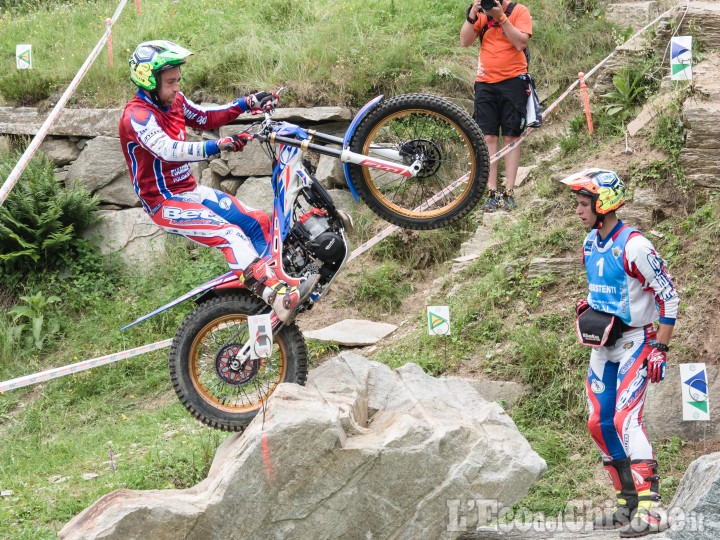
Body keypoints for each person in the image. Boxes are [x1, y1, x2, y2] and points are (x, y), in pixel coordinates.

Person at [118, 40, 317, 323]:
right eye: (170, 81)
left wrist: (247, 104)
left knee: (257, 220)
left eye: (178, 80)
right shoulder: (137, 116)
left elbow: (206, 116)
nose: (176, 88)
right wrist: (217, 146)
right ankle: (276, 295)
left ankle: (273, 289)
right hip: (164, 203)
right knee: (229, 234)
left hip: (189, 191)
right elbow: (168, 150)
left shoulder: (175, 101)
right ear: (149, 81)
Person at [562, 168, 678, 537]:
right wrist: (590, 304)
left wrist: (660, 346)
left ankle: (652, 508)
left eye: (584, 204)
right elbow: (605, 286)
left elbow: (669, 296)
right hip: (603, 345)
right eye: (578, 204)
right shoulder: (589, 243)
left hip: (636, 343)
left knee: (628, 420)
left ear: (604, 204)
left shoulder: (635, 245)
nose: (578, 210)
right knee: (599, 422)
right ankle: (627, 503)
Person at [460, 0, 532, 212]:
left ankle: (509, 191)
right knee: (487, 137)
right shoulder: (481, 13)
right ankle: (491, 192)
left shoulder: (519, 11)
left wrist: (501, 17)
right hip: (485, 84)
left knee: (511, 136)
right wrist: (473, 12)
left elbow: (521, 43)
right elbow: (464, 41)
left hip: (514, 80)